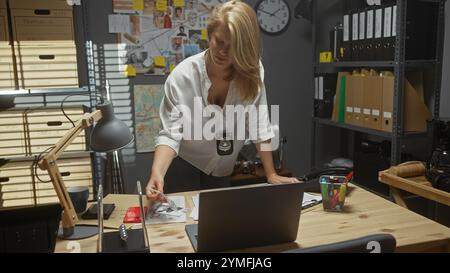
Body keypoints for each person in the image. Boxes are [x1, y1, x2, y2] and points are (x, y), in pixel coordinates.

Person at [146, 0, 298, 201]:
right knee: (179, 225)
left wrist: (271, 174)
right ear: (210, 35)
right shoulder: (182, 76)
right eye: (219, 41)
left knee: (215, 228)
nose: (223, 52)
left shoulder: (253, 72)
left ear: (245, 47)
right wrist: (157, 173)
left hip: (222, 168)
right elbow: (170, 134)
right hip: (183, 164)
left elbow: (259, 124)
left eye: (232, 46)